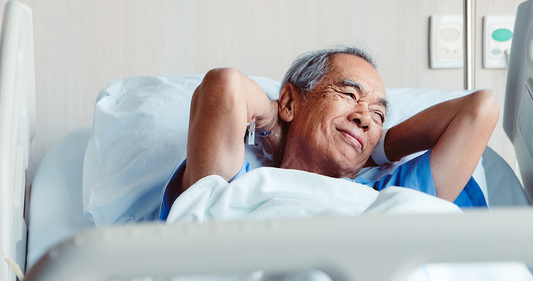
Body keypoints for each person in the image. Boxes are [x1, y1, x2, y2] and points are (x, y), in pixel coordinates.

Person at [160, 46, 500, 220]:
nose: (365, 116)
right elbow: (225, 84)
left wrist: (375, 146)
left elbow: (480, 110)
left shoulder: (391, 194)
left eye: (379, 114)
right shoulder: (237, 180)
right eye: (350, 95)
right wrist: (275, 123)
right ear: (292, 101)